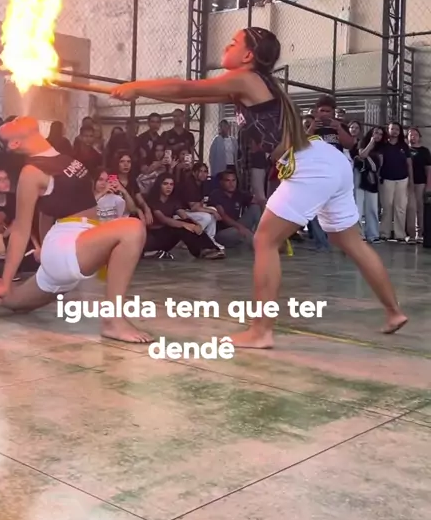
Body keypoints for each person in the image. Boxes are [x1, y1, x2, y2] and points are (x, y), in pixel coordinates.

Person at [110, 26, 407, 347]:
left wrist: (136, 86)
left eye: (234, 43)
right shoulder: (250, 85)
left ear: (248, 55)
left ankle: (261, 331)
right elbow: (192, 95)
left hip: (310, 166)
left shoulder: (246, 79)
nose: (227, 45)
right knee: (350, 242)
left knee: (265, 240)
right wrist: (140, 93)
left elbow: (185, 88)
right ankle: (394, 312)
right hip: (327, 160)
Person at [0, 117, 151, 343]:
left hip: (76, 245)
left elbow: (46, 211)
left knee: (14, 301)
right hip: (67, 245)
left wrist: (42, 246)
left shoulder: (61, 158)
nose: (17, 118)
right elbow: (20, 231)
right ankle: (113, 321)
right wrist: (6, 280)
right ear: (14, 143)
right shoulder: (32, 171)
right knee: (132, 227)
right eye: (12, 123)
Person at [144, 174, 223, 259]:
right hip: (154, 237)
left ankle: (212, 249)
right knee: (182, 227)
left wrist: (197, 225)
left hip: (167, 237)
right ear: (159, 185)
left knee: (189, 223)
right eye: (165, 184)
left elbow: (184, 216)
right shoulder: (153, 200)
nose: (169, 187)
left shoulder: (173, 201)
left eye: (171, 184)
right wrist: (187, 225)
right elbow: (164, 219)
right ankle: (201, 252)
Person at [209, 171, 261, 249]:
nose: (231, 184)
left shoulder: (239, 193)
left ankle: (261, 236)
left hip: (237, 224)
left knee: (255, 208)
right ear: (221, 182)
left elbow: (256, 202)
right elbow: (223, 216)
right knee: (241, 233)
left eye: (233, 180)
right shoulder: (216, 194)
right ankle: (261, 246)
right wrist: (240, 227)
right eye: (228, 180)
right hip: (223, 232)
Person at [380, 122, 413, 242]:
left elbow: (409, 164)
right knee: (386, 206)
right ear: (388, 130)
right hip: (387, 179)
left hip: (402, 179)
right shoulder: (383, 145)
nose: (394, 131)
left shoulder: (404, 146)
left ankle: (400, 234)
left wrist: (411, 180)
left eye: (397, 129)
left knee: (401, 207)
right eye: (392, 129)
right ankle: (385, 233)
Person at [179, 162, 222, 246]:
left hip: (191, 211)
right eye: (200, 171)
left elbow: (200, 204)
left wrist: (212, 211)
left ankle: (210, 240)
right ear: (194, 173)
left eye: (205, 171)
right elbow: (194, 208)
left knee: (213, 210)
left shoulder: (202, 184)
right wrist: (213, 212)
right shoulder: (189, 184)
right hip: (181, 213)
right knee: (207, 216)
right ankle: (188, 240)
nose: (203, 174)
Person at [108, 150, 153, 225]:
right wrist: (138, 210)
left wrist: (147, 209)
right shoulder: (112, 179)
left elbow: (140, 200)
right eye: (122, 161)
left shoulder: (132, 180)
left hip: (131, 214)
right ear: (117, 163)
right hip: (116, 216)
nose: (126, 164)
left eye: (128, 162)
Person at [355, 129, 382, 243]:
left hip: (372, 179)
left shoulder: (381, 148)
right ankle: (358, 235)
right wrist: (371, 143)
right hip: (360, 176)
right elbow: (362, 155)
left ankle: (373, 234)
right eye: (376, 133)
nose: (378, 136)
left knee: (372, 207)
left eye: (380, 134)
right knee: (358, 206)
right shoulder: (363, 143)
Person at [406, 127, 431, 243]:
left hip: (420, 183)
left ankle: (420, 233)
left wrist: (428, 185)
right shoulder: (404, 150)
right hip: (405, 183)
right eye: (410, 135)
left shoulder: (424, 151)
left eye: (415, 135)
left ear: (419, 137)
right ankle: (410, 234)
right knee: (409, 208)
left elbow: (429, 169)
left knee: (420, 209)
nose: (413, 137)